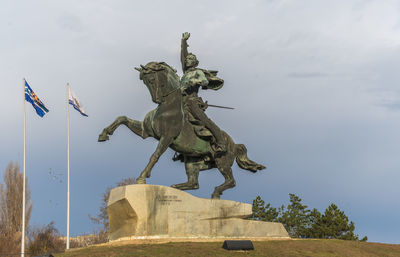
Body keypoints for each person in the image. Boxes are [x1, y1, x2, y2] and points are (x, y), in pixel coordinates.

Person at [180, 32, 226, 153]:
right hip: (181, 100)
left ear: (195, 62)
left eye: (191, 59)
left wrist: (195, 81)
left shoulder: (197, 72)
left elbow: (205, 81)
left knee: (205, 121)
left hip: (192, 101)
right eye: (187, 59)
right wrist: (183, 42)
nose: (187, 60)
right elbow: (183, 56)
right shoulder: (185, 73)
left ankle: (221, 142)